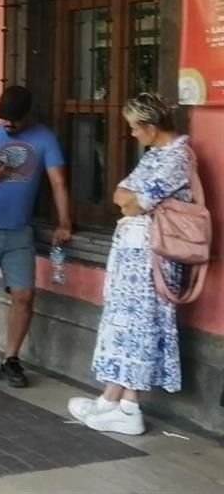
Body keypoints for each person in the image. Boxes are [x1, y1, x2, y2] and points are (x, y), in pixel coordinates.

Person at [68, 93, 196, 436]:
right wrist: (130, 200)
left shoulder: (178, 158)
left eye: (136, 129)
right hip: (133, 254)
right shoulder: (157, 155)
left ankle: (130, 406)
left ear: (152, 127)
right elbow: (120, 195)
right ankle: (112, 399)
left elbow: (137, 203)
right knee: (123, 324)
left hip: (152, 256)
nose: (133, 135)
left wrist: (131, 200)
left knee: (142, 325)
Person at [0, 85, 72, 388]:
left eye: (14, 120)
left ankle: (11, 358)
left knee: (24, 295)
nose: (7, 124)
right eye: (3, 118)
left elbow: (58, 182)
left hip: (19, 231)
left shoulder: (45, 139)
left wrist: (65, 222)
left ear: (28, 115)